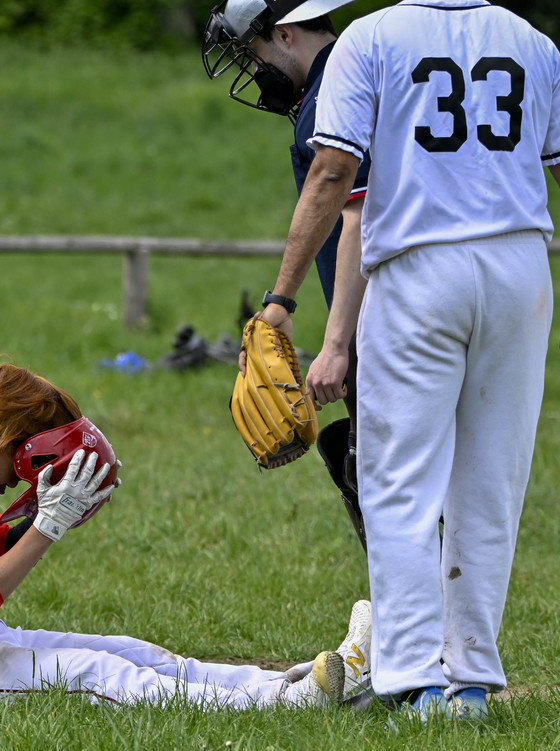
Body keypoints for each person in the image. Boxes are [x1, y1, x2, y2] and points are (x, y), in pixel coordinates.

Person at [257, 0, 560, 721]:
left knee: (399, 480)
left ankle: (417, 677)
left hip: (418, 270)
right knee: (490, 480)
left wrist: (281, 299)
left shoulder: (372, 36)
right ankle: (471, 681)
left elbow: (332, 175)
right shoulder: (529, 41)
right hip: (518, 269)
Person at [0, 362, 369, 706]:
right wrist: (48, 524)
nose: (9, 486)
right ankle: (285, 710)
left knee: (132, 653)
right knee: (92, 672)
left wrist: (57, 507)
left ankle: (283, 687)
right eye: (18, 467)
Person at [202, 0, 371, 552]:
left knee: (384, 479)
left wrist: (332, 337)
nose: (255, 73)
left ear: (285, 34)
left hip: (395, 316)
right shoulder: (358, 73)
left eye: (254, 55)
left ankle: (419, 628)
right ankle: (426, 623)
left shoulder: (331, 96)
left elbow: (358, 217)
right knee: (369, 459)